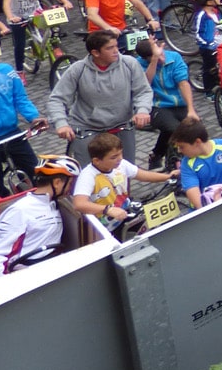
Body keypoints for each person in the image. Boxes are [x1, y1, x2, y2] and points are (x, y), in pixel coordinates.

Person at [49, 29, 153, 164]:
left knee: (125, 171)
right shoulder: (77, 70)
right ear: (95, 53)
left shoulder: (129, 63)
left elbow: (143, 91)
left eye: (116, 46)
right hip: (88, 128)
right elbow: (57, 99)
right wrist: (61, 124)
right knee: (89, 175)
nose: (116, 50)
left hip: (122, 125)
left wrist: (142, 111)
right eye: (110, 48)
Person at [0, 154, 79, 276]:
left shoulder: (54, 204)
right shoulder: (20, 210)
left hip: (53, 265)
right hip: (27, 274)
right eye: (70, 184)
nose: (70, 189)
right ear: (57, 182)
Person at [71, 131, 175, 226]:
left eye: (121, 153)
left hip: (125, 212)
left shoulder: (121, 164)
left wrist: (168, 177)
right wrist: (108, 210)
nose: (120, 158)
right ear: (96, 161)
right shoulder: (88, 175)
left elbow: (143, 175)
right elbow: (79, 204)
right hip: (104, 224)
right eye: (113, 157)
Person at [0, 39, 45, 196]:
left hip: (13, 132)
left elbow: (20, 98)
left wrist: (33, 117)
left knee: (35, 172)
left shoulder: (7, 71)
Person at [135, 37, 199, 171]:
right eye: (157, 57)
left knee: (194, 129)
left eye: (161, 54)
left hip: (179, 104)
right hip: (157, 105)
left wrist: (191, 109)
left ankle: (157, 154)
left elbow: (183, 83)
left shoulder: (174, 57)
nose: (162, 58)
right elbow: (145, 84)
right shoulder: (138, 64)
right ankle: (174, 165)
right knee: (174, 130)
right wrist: (154, 61)